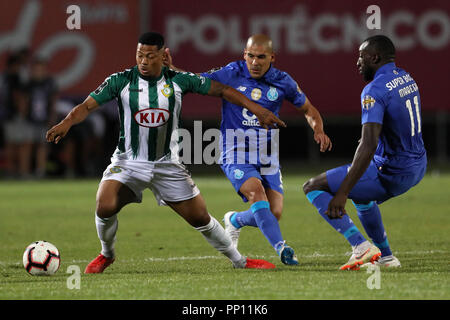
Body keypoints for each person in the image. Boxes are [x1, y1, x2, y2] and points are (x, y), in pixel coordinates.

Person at [46, 32, 286, 273]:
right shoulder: (120, 80)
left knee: (200, 218)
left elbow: (222, 90)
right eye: (140, 55)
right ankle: (106, 254)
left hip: (167, 165)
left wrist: (257, 110)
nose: (144, 61)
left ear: (163, 56)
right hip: (129, 162)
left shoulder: (179, 80)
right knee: (104, 204)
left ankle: (240, 261)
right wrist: (66, 122)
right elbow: (87, 105)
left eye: (150, 56)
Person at [165, 34, 332, 265]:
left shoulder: (283, 81)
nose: (254, 62)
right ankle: (281, 248)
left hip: (266, 153)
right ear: (244, 55)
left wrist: (318, 129)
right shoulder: (232, 72)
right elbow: (196, 81)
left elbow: (308, 109)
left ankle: (234, 220)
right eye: (250, 56)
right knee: (255, 192)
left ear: (272, 57)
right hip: (234, 149)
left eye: (261, 57)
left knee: (273, 213)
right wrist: (172, 68)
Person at [302, 35, 427, 270]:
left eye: (361, 57)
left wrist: (343, 192)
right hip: (418, 165)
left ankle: (360, 246)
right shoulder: (405, 77)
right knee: (363, 197)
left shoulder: (374, 90)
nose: (358, 62)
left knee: (312, 186)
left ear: (375, 57)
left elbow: (368, 144)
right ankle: (387, 258)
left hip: (392, 171)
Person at [27, 56, 58, 178]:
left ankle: (40, 171)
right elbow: (23, 101)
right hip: (29, 119)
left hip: (44, 119)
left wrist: (52, 117)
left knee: (42, 145)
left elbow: (53, 101)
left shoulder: (49, 83)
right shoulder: (28, 84)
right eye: (36, 69)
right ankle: (25, 171)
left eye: (41, 69)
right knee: (27, 144)